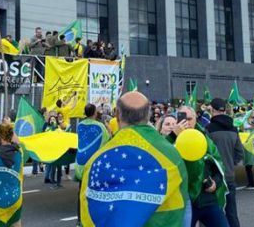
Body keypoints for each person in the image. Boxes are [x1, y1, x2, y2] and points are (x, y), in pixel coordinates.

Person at [78, 91, 190, 226]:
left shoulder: (97, 159)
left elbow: (88, 201)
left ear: (118, 115)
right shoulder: (171, 155)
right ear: (148, 115)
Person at [206, 98, 244, 227]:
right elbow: (240, 153)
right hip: (229, 175)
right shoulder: (234, 129)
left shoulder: (208, 129)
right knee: (231, 213)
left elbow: (205, 154)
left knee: (211, 215)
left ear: (213, 109)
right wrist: (229, 163)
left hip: (213, 178)